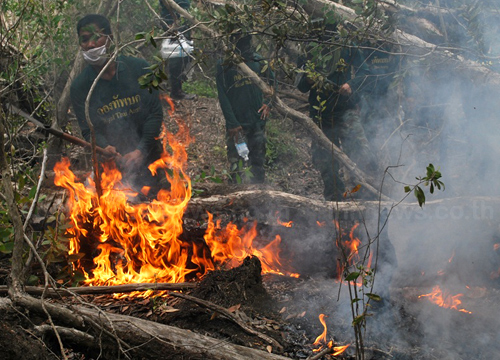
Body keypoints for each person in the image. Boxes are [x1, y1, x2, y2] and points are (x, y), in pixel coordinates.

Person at [70, 14, 165, 194]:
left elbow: (154, 113)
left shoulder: (139, 69)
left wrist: (140, 150)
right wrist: (105, 147)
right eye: (85, 40)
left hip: (151, 156)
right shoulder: (80, 87)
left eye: (96, 37)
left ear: (110, 39)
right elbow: (88, 129)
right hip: (112, 165)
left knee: (165, 207)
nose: (91, 45)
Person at [297, 26, 377, 201]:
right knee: (326, 160)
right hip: (320, 114)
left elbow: (365, 73)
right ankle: (335, 201)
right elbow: (300, 84)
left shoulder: (346, 45)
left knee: (360, 152)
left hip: (345, 110)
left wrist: (351, 85)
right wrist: (308, 79)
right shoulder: (308, 49)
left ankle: (365, 194)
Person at [216, 34, 275, 184]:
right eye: (243, 44)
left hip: (257, 122)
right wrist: (232, 123)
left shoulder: (257, 60)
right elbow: (223, 97)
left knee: (258, 162)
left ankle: (259, 198)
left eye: (248, 43)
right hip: (238, 125)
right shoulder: (224, 65)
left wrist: (268, 103)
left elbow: (273, 82)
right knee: (236, 165)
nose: (247, 48)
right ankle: (234, 199)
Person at [159, 0, 196, 100]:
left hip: (185, 19)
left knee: (188, 53)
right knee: (177, 55)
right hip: (172, 19)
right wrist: (170, 22)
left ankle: (175, 83)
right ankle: (176, 91)